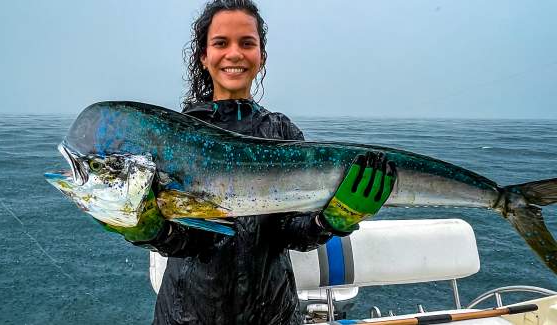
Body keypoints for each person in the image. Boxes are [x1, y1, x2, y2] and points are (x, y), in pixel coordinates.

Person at [104, 1, 396, 324]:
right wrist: (151, 229)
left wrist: (329, 221)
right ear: (204, 56)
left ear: (261, 56)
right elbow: (187, 240)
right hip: (185, 314)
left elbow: (290, 232)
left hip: (273, 315)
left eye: (247, 43)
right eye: (220, 43)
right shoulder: (180, 134)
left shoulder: (281, 132)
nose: (234, 53)